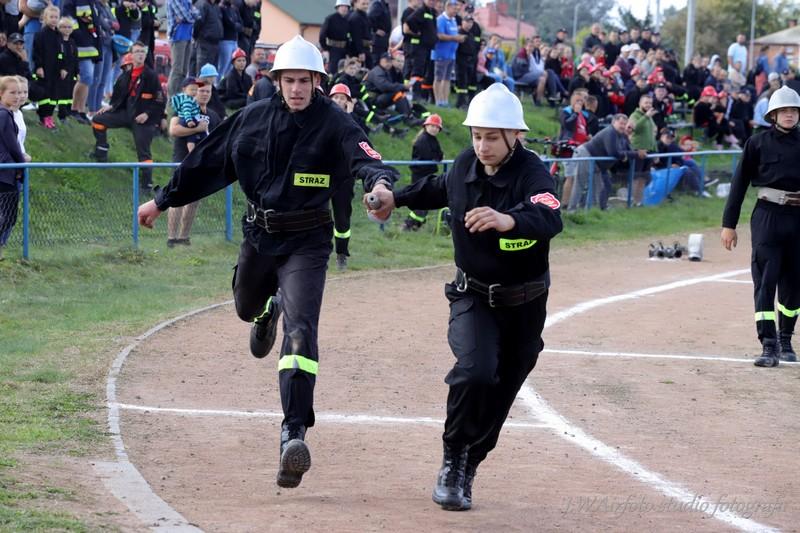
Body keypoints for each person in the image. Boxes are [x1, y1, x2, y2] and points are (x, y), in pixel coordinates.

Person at [137, 35, 399, 488]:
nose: (297, 89)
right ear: (276, 81)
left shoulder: (336, 123)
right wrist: (161, 201)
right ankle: (265, 311)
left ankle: (292, 433)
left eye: (304, 81)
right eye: (289, 80)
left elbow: (368, 159)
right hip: (260, 235)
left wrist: (379, 186)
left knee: (301, 331)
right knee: (245, 306)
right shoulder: (252, 118)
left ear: (317, 82)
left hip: (308, 242)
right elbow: (207, 161)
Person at [365, 82, 562, 512]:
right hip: (473, 296)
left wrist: (509, 219)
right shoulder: (464, 166)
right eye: (477, 136)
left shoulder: (532, 173)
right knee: (475, 372)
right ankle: (452, 459)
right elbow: (438, 187)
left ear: (515, 135)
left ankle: (470, 464)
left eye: (492, 137)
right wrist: (395, 198)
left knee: (502, 391)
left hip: (525, 305)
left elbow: (549, 214)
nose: (482, 146)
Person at [721, 85, 800, 367]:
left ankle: (785, 339)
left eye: (794, 110)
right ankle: (768, 345)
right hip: (768, 216)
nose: (789, 115)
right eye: (784, 110)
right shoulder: (757, 143)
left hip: (798, 218)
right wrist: (729, 224)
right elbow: (739, 183)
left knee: (794, 284)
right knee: (766, 280)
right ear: (773, 115)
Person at [90, 41, 165, 191]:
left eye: (142, 52)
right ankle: (101, 153)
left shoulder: (151, 76)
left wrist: (147, 114)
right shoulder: (126, 74)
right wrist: (111, 106)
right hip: (125, 113)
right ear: (131, 54)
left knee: (144, 153)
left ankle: (146, 185)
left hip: (143, 119)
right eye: (137, 52)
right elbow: (119, 95)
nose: (140, 55)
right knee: (98, 120)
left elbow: (160, 100)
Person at [166, 81, 221, 247]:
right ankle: (171, 238)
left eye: (208, 91)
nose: (204, 94)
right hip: (182, 160)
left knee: (193, 201)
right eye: (201, 91)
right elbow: (173, 130)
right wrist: (197, 129)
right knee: (177, 198)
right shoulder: (184, 109)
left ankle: (184, 237)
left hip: (202, 163)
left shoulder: (213, 115)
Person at [568, 113, 643, 210]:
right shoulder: (610, 132)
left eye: (625, 124)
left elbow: (627, 149)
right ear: (613, 122)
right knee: (580, 182)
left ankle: (593, 210)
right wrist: (631, 155)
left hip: (598, 162)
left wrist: (631, 151)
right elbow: (613, 152)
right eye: (621, 123)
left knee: (600, 186)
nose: (623, 126)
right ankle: (572, 209)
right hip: (586, 154)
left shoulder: (621, 135)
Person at [328, 82, 357, 269]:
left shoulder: (353, 120)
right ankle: (315, 253)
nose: (339, 101)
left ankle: (341, 254)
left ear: (348, 102)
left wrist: (350, 115)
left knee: (342, 217)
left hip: (344, 177)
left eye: (342, 98)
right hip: (323, 176)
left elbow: (357, 139)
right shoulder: (323, 118)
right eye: (336, 97)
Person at [61, 0, 101, 124]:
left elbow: (95, 22)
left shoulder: (92, 2)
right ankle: (74, 108)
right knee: (86, 77)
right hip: (79, 44)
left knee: (88, 79)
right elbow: (68, 18)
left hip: (90, 45)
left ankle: (81, 110)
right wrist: (79, 33)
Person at [0, 76, 26, 261]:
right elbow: (13, 145)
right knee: (8, 215)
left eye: (19, 92)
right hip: (5, 171)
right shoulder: (4, 114)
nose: (17, 96)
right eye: (12, 93)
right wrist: (21, 164)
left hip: (7, 169)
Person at [402, 112, 443, 231]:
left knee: (425, 202)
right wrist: (437, 157)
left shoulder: (432, 139)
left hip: (427, 174)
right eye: (432, 126)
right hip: (420, 175)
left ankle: (416, 225)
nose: (434, 129)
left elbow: (439, 155)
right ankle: (408, 225)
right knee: (421, 202)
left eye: (437, 127)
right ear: (426, 126)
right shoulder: (423, 140)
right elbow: (429, 156)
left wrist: (437, 157)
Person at [628, 93, 658, 206]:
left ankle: (638, 201)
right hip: (638, 150)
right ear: (640, 103)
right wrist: (646, 117)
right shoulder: (634, 115)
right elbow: (634, 128)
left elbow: (652, 135)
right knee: (636, 177)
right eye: (646, 102)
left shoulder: (649, 117)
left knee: (644, 178)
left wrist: (655, 151)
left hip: (649, 151)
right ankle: (631, 200)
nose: (648, 105)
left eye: (650, 103)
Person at [431, 0, 462, 107]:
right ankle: (438, 101)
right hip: (441, 53)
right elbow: (439, 35)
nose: (456, 11)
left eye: (457, 9)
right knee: (439, 78)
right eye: (454, 9)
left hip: (451, 54)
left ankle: (444, 100)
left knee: (447, 79)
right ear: (448, 7)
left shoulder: (453, 20)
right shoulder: (441, 20)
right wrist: (455, 38)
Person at [166, 0, 199, 98]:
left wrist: (189, 16)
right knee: (177, 70)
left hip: (188, 36)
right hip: (177, 37)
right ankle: (172, 97)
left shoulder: (187, 1)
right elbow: (186, 16)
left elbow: (198, 15)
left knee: (184, 70)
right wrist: (190, 16)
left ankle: (180, 95)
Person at [171, 77, 204, 151]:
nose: (194, 92)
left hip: (191, 120)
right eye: (192, 89)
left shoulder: (193, 102)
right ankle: (192, 152)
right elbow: (186, 111)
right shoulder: (187, 101)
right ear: (184, 89)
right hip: (188, 120)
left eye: (196, 90)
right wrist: (190, 121)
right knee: (192, 138)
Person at [319, 0, 351, 75]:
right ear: (337, 7)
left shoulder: (347, 20)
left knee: (343, 71)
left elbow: (347, 37)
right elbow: (322, 35)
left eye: (346, 7)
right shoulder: (330, 19)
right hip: (333, 50)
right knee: (333, 71)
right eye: (342, 6)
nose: (344, 8)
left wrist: (348, 51)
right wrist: (325, 49)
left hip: (344, 50)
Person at [453, 14, 477, 109]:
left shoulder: (471, 35)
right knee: (461, 83)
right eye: (467, 22)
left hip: (470, 61)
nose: (469, 24)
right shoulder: (459, 33)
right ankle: (460, 103)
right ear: (462, 22)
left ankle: (469, 102)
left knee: (469, 82)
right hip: (461, 61)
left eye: (471, 22)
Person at [348, 0, 372, 68]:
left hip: (366, 48)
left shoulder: (364, 16)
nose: (366, 6)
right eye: (363, 4)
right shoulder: (355, 17)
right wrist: (360, 52)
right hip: (358, 50)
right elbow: (356, 37)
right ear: (356, 3)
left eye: (367, 4)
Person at [367, 0, 391, 67]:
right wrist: (375, 29)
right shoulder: (377, 4)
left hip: (383, 41)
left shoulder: (384, 5)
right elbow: (369, 17)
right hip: (378, 41)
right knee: (376, 62)